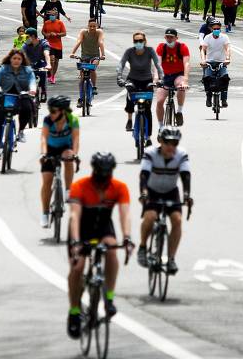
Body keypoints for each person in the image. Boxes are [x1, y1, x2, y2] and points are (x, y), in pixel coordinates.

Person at [66, 152, 133, 339]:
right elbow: (74, 216)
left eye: (107, 173)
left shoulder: (119, 187)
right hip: (82, 228)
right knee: (78, 267)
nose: (103, 178)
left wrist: (127, 238)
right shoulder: (80, 186)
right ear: (94, 170)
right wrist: (76, 243)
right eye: (100, 173)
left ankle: (109, 299)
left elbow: (125, 214)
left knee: (112, 250)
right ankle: (73, 312)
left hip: (104, 227)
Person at [137, 126, 192, 274]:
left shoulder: (181, 155)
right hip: (152, 191)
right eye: (168, 143)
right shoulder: (150, 153)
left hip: (170, 192)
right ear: (160, 141)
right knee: (151, 216)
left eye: (175, 143)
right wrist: (143, 193)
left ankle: (171, 258)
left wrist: (186, 195)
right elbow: (144, 176)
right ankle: (142, 247)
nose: (171, 147)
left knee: (177, 220)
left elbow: (185, 176)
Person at [40, 95, 80, 228]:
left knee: (68, 157)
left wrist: (74, 153)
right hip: (50, 149)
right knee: (47, 181)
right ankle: (45, 213)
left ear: (63, 111)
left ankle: (68, 190)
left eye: (53, 111)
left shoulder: (72, 120)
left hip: (65, 147)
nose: (50, 114)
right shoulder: (48, 120)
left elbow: (75, 139)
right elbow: (44, 139)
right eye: (49, 110)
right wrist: (43, 154)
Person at [0, 49, 36, 156]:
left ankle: (21, 132)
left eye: (19, 59)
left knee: (27, 108)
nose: (16, 61)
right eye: (14, 58)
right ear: (10, 59)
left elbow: (32, 81)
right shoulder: (3, 69)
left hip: (21, 96)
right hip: (3, 96)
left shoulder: (27, 70)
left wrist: (32, 89)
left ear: (22, 60)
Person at [117, 32, 163, 139]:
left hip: (147, 80)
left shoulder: (150, 50)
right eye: (136, 41)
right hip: (133, 79)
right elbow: (121, 64)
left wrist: (162, 78)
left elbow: (158, 64)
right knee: (129, 97)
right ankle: (129, 119)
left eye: (140, 41)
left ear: (145, 41)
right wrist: (119, 77)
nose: (138, 43)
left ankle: (149, 137)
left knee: (147, 110)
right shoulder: (129, 51)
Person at [154, 28, 190, 127]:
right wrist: (156, 79)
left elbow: (186, 63)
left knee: (181, 86)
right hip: (165, 76)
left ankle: (179, 111)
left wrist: (185, 80)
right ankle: (161, 127)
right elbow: (158, 64)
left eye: (171, 37)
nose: (169, 39)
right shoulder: (161, 47)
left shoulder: (182, 47)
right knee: (160, 101)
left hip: (178, 74)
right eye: (167, 37)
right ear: (165, 37)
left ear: (176, 38)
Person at [69, 19, 105, 106]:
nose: (92, 28)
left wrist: (103, 54)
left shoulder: (99, 32)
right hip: (84, 56)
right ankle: (81, 98)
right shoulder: (83, 32)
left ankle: (94, 87)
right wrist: (73, 53)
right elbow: (79, 41)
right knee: (82, 78)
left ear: (97, 26)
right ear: (87, 26)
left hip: (95, 56)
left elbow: (100, 42)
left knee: (92, 68)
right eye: (90, 26)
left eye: (94, 26)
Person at [200, 20, 231, 108]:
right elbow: (203, 50)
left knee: (225, 77)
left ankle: (224, 99)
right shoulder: (207, 38)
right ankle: (208, 97)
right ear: (211, 29)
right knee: (206, 78)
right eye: (215, 29)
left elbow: (227, 48)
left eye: (218, 28)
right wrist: (203, 60)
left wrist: (228, 58)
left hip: (221, 62)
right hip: (209, 62)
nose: (217, 30)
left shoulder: (224, 37)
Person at [21, 27, 51, 102]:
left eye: (27, 37)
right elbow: (22, 54)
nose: (26, 39)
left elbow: (46, 54)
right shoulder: (26, 44)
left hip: (41, 63)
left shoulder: (44, 43)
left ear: (33, 36)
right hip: (30, 64)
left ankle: (43, 91)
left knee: (43, 73)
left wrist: (49, 64)